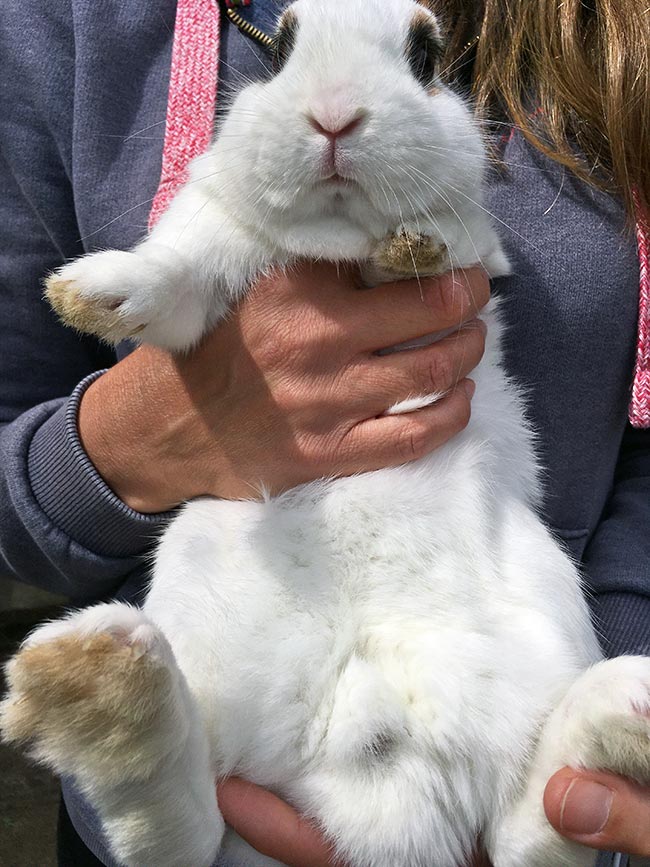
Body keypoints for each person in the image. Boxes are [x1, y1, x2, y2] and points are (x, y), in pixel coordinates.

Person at [0, 0, 648, 865]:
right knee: (196, 549)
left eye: (417, 63)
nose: (334, 113)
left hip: (459, 596)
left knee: (535, 568)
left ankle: (547, 813)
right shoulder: (64, 28)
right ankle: (167, 793)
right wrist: (137, 433)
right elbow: (207, 231)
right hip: (269, 610)